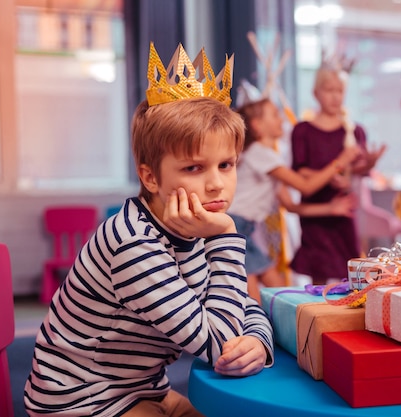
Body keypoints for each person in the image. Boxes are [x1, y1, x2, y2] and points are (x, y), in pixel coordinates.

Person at [24, 43, 274, 416]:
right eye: (194, 168)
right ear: (151, 177)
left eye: (226, 165)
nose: (216, 184)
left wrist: (257, 340)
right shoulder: (134, 242)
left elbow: (244, 306)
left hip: (140, 386)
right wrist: (225, 235)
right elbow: (218, 342)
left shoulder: (193, 223)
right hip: (82, 398)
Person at [229, 97, 360, 303]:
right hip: (235, 227)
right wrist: (340, 162)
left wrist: (330, 208)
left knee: (281, 290)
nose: (281, 119)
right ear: (257, 126)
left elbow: (291, 206)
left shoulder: (268, 161)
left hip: (244, 229)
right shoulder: (260, 154)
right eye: (274, 114)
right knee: (258, 297)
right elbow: (305, 186)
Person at [290, 59, 386, 285]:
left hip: (345, 213)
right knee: (318, 278)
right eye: (329, 90)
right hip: (316, 214)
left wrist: (368, 166)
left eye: (340, 91)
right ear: (316, 93)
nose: (335, 96)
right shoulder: (302, 131)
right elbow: (300, 173)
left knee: (351, 271)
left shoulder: (355, 130)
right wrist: (330, 175)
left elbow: (355, 170)